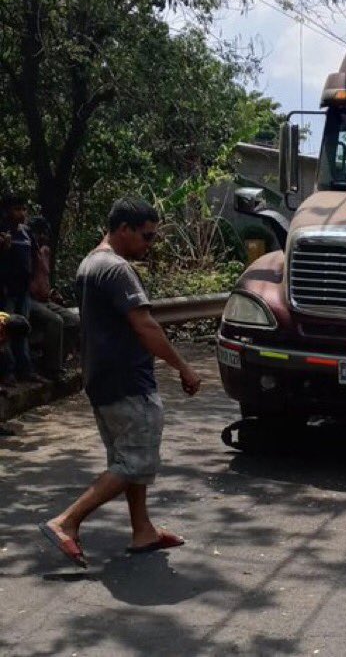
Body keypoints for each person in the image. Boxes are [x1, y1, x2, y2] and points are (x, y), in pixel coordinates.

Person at [39, 198, 202, 568]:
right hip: (127, 381)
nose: (150, 244)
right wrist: (183, 367)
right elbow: (145, 325)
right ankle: (66, 522)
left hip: (102, 378)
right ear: (124, 229)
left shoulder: (89, 263)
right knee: (134, 461)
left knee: (127, 457)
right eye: (147, 236)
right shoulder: (116, 269)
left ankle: (143, 529)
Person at [27, 216, 80, 379]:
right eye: (38, 233)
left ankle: (57, 361)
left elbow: (44, 278)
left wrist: (51, 292)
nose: (41, 237)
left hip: (44, 300)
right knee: (55, 321)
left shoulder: (45, 252)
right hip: (28, 299)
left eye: (43, 234)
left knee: (73, 320)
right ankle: (51, 368)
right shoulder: (25, 250)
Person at [0, 194, 42, 385]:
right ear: (7, 211)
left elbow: (34, 257)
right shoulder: (3, 232)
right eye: (17, 209)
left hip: (23, 290)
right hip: (6, 290)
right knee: (5, 332)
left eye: (24, 209)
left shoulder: (26, 233)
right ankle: (8, 372)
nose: (22, 213)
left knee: (23, 329)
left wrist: (35, 280)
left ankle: (25, 370)